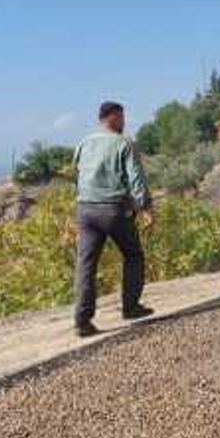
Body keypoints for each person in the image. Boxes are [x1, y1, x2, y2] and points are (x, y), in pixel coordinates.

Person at [72, 101, 154, 337]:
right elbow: (136, 178)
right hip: (113, 209)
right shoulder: (123, 143)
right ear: (112, 117)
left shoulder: (84, 142)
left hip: (85, 209)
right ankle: (130, 307)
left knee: (85, 265)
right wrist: (146, 207)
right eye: (122, 118)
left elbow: (77, 174)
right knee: (133, 255)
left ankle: (82, 321)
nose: (124, 123)